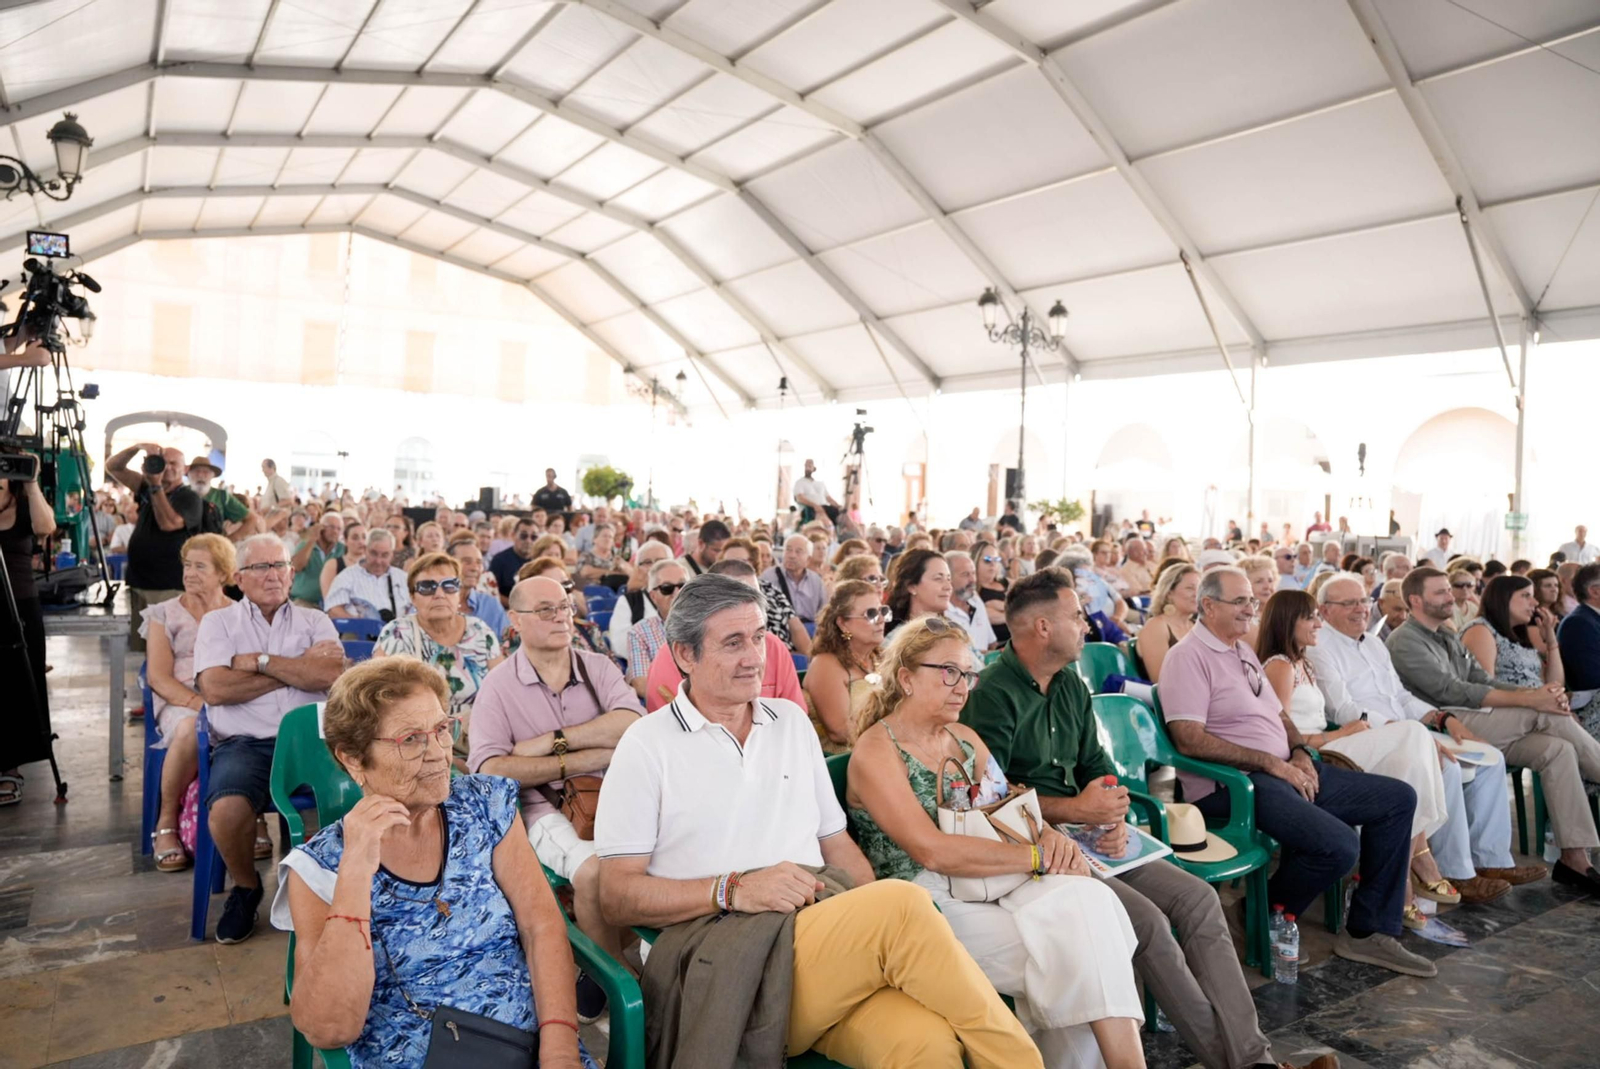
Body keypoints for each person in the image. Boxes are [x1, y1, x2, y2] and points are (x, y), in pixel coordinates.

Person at [594, 573, 1045, 1068]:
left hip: (813, 932)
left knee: (926, 1044)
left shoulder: (789, 722)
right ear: (684, 654)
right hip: (718, 952)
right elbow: (616, 896)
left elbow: (836, 843)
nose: (754, 657)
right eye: (732, 642)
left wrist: (865, 919)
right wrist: (733, 889)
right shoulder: (647, 745)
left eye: (760, 636)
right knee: (902, 905)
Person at [964, 570, 1313, 1069]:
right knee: (1147, 922)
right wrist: (1077, 810)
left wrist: (1114, 811)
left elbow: (1098, 768)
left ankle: (1253, 1057)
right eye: (1075, 616)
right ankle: (1246, 1063)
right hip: (1040, 841)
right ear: (1042, 627)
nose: (1087, 625)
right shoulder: (993, 693)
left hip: (1091, 832)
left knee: (1196, 899)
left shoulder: (1068, 684)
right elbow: (995, 799)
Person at [848, 614, 1146, 1068]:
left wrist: (1048, 835)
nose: (963, 685)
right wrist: (1036, 855)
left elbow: (1012, 804)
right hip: (923, 901)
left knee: (1090, 904)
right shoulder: (877, 750)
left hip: (994, 876)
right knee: (1075, 952)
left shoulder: (963, 738)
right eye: (948, 671)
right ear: (906, 678)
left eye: (968, 673)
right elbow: (930, 850)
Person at [274, 658, 594, 1069]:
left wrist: (560, 1045)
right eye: (411, 739)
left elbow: (541, 925)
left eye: (442, 729)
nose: (439, 753)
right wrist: (355, 871)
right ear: (353, 759)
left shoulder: (484, 805)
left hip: (526, 1043)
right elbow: (328, 1028)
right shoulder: (320, 866)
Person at [1161, 567, 1435, 977]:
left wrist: (1300, 751)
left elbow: (1278, 713)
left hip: (1280, 770)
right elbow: (1188, 739)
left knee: (1397, 799)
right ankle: (1256, 913)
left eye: (1252, 601)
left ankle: (1367, 932)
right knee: (1338, 845)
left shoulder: (1240, 650)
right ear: (1208, 605)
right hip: (1234, 785)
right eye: (1240, 602)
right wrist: (1269, 762)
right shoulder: (1187, 657)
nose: (1250, 609)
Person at [1259, 589, 1505, 913]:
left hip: (1332, 741)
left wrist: (1438, 719)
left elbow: (1399, 697)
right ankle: (1420, 862)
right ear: (1288, 622)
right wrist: (1340, 734)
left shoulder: (1305, 661)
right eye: (1311, 617)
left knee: (1412, 761)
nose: (1318, 623)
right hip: (1317, 752)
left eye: (1318, 617)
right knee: (1413, 735)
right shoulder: (1280, 666)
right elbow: (1281, 733)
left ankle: (1409, 868)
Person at [1307, 575, 1542, 894]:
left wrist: (1442, 718)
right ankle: (1454, 870)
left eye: (1363, 601)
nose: (1360, 609)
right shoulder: (1320, 646)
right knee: (1448, 767)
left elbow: (1400, 696)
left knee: (1489, 759)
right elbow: (1342, 710)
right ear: (1324, 609)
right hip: (1366, 736)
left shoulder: (1374, 642)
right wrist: (1403, 732)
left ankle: (1490, 858)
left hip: (1410, 729)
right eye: (1348, 603)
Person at [468, 575, 643, 991]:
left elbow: (633, 723)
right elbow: (490, 770)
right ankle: (613, 983)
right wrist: (593, 755)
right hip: (542, 808)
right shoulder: (497, 686)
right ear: (516, 620)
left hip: (616, 793)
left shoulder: (596, 666)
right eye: (545, 609)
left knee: (675, 851)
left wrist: (553, 743)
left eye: (564, 606)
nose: (561, 616)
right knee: (595, 873)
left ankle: (619, 955)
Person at [1386, 567, 1600, 893]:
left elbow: (1483, 679)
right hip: (1441, 722)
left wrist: (1535, 696)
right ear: (1416, 600)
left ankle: (1575, 858)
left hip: (1478, 720)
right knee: (1551, 716)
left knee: (1559, 750)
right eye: (1442, 591)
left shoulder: (1444, 634)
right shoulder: (1404, 640)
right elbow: (1450, 691)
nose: (1453, 596)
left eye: (1449, 589)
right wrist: (1533, 700)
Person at [194, 534, 345, 943]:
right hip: (246, 742)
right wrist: (295, 670)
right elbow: (216, 690)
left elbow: (330, 677)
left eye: (279, 566)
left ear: (292, 574)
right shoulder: (219, 622)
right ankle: (247, 887)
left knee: (367, 792)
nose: (273, 575)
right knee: (226, 812)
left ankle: (347, 888)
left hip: (316, 740)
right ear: (240, 579)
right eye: (261, 567)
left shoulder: (316, 620)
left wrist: (260, 664)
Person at [143, 534, 237, 870]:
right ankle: (166, 821)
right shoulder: (164, 614)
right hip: (180, 701)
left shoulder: (240, 614)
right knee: (188, 729)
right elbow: (157, 677)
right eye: (187, 565)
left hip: (229, 697)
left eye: (200, 566)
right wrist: (199, 703)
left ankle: (248, 815)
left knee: (257, 726)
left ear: (223, 574)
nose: (190, 573)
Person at [374, 553, 503, 764]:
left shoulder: (480, 631)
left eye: (449, 585)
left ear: (459, 593)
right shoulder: (397, 633)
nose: (439, 594)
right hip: (419, 744)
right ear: (413, 597)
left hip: (478, 738)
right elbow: (379, 699)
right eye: (427, 587)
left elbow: (502, 689)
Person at [641, 559, 805, 712]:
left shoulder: (774, 647)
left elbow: (795, 720)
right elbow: (669, 728)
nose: (756, 659)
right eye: (733, 643)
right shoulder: (674, 655)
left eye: (753, 595)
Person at [107, 443, 204, 654]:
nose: (167, 467)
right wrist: (137, 447)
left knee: (166, 651)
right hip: (140, 583)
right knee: (144, 650)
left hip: (168, 587)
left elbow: (169, 524)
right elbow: (113, 467)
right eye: (162, 462)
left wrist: (155, 485)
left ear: (185, 469)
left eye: (173, 463)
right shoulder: (147, 486)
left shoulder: (190, 497)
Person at [0, 463, 56, 806]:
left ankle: (11, 765)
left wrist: (32, 482)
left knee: (20, 683)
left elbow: (46, 527)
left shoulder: (23, 501)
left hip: (18, 603)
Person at [802, 579, 886, 754]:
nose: (880, 620)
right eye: (870, 614)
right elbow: (840, 732)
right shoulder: (825, 664)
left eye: (882, 611)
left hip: (880, 750)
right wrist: (897, 732)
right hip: (843, 761)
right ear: (843, 623)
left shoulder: (880, 658)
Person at [1461, 575, 1564, 693]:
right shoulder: (1480, 630)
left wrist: (1551, 643)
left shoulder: (1517, 633)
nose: (1535, 603)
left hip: (1535, 705)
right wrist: (1533, 698)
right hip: (1510, 708)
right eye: (1526, 596)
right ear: (1503, 598)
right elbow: (1484, 689)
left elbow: (1556, 685)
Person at [624, 558, 686, 698]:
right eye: (667, 588)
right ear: (653, 596)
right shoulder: (639, 632)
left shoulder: (709, 623)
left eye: (683, 586)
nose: (677, 594)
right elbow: (642, 684)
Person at [603, 540, 672, 660]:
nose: (654, 567)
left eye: (661, 561)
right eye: (647, 562)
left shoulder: (686, 598)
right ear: (638, 570)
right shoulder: (629, 602)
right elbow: (620, 645)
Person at [325, 529, 413, 623]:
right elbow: (333, 609)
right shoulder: (347, 577)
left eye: (385, 555)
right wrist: (359, 623)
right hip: (357, 633)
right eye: (374, 553)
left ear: (392, 554)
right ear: (365, 550)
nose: (378, 561)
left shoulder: (403, 578)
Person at [1139, 563, 1198, 683]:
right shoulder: (1156, 626)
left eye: (1200, 588)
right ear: (1169, 593)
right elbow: (1160, 681)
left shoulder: (1198, 625)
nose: (1197, 594)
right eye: (1190, 588)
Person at [1557, 563, 1600, 722]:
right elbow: (1591, 678)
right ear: (1594, 591)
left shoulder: (1591, 618)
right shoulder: (1579, 623)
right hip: (1591, 708)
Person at [446, 537, 510, 640]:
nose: (474, 568)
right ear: (448, 565)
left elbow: (508, 645)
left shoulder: (492, 606)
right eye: (466, 561)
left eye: (479, 562)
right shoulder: (432, 603)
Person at [885, 548, 951, 636]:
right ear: (912, 586)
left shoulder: (954, 633)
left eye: (949, 579)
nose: (948, 587)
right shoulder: (896, 641)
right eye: (938, 578)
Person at [944, 550, 998, 660]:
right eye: (965, 574)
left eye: (973, 573)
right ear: (948, 578)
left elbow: (992, 643)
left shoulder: (976, 601)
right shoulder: (942, 612)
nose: (972, 579)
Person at [764, 534, 826, 622]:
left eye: (798, 551)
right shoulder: (768, 577)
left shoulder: (816, 581)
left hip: (811, 630)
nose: (792, 555)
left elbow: (823, 612)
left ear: (808, 559)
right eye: (788, 550)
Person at [290, 510, 343, 609]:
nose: (335, 531)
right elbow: (296, 567)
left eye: (339, 529)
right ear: (321, 527)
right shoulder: (305, 545)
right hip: (304, 601)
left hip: (333, 604)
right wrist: (312, 539)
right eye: (331, 527)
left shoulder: (342, 550)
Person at [974, 541, 1011, 645]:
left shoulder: (1005, 582)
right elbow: (986, 616)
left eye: (996, 559)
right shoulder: (972, 590)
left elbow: (1027, 605)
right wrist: (1014, 611)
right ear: (975, 561)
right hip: (996, 645)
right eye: (987, 559)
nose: (992, 564)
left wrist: (1002, 607)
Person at [319, 521, 363, 604]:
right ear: (346, 541)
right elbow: (329, 599)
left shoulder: (374, 565)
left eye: (364, 537)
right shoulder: (333, 565)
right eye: (355, 538)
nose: (361, 541)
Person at [793, 458, 841, 527]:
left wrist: (839, 506)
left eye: (810, 465)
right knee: (820, 514)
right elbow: (799, 498)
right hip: (809, 508)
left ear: (814, 468)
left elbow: (829, 498)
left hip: (824, 506)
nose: (807, 468)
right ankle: (826, 529)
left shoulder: (820, 483)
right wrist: (815, 506)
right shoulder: (799, 482)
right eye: (806, 466)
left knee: (841, 515)